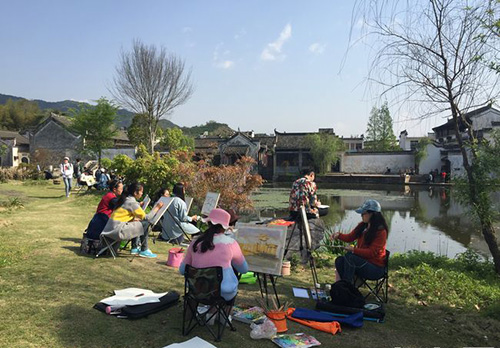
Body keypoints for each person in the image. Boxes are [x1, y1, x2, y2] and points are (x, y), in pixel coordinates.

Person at [179, 208, 249, 303]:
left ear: (208, 223)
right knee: (231, 275)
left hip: (196, 290)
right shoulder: (231, 243)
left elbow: (182, 270)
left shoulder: (195, 242)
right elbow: (244, 269)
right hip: (222, 293)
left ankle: (195, 314)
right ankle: (221, 316)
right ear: (225, 227)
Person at [331, 199, 388, 284]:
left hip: (375, 268)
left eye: (363, 213)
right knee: (340, 260)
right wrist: (338, 235)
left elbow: (371, 253)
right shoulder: (363, 225)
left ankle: (347, 287)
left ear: (372, 214)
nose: (361, 215)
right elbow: (350, 237)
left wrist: (353, 250)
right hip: (363, 261)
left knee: (350, 257)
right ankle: (343, 286)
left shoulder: (381, 231)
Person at [101, 182, 163, 258]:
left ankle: (135, 247)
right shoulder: (132, 202)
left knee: (138, 223)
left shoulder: (125, 199)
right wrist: (157, 208)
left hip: (111, 229)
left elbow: (124, 215)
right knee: (145, 223)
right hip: (117, 231)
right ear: (135, 193)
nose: (142, 193)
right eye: (141, 191)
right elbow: (147, 218)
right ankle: (144, 249)